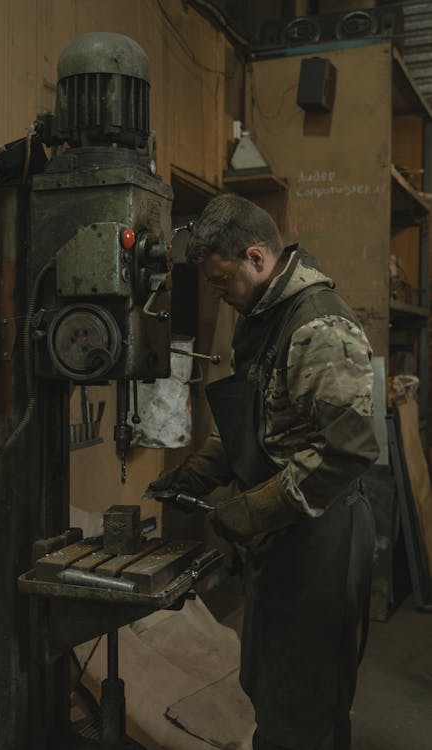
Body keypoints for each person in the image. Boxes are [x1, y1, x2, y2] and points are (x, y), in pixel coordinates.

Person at [146, 193, 379, 750]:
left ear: (256, 257)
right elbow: (256, 421)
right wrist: (197, 473)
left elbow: (347, 452)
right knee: (270, 685)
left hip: (322, 534)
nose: (220, 296)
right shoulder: (263, 318)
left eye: (224, 280)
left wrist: (253, 508)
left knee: (303, 700)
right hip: (285, 534)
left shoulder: (318, 325)